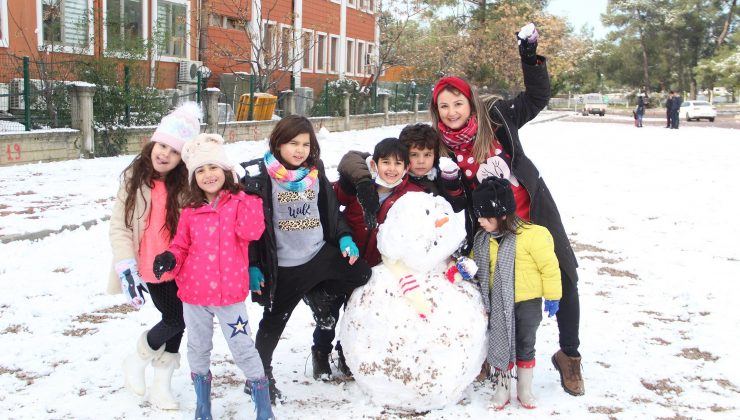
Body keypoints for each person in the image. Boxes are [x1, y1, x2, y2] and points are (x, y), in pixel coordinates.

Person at [338, 22, 585, 396]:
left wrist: (530, 55)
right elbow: (366, 155)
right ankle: (488, 354)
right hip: (486, 229)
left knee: (564, 276)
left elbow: (537, 98)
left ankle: (569, 355)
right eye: (444, 106)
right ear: (436, 111)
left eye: (458, 103)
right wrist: (361, 179)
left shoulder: (497, 118)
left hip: (532, 213)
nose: (452, 112)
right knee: (489, 290)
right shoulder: (438, 144)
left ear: (470, 102)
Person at [240, 115, 372, 403]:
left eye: (305, 144)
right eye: (292, 143)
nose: (299, 150)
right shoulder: (259, 178)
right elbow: (248, 230)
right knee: (273, 322)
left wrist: (345, 238)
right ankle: (259, 377)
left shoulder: (314, 171)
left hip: (318, 254)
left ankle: (317, 293)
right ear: (277, 143)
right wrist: (252, 265)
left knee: (361, 274)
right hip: (285, 267)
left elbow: (330, 208)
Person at [152, 133, 274, 420]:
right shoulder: (190, 211)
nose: (208, 175)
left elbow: (251, 232)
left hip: (229, 295)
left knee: (243, 347)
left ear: (226, 171)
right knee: (198, 347)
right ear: (194, 178)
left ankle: (264, 407)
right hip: (194, 295)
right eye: (201, 170)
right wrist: (170, 256)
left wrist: (251, 199)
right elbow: (181, 245)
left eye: (213, 167)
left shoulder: (239, 203)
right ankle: (202, 405)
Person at [109, 102, 200, 410]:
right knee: (175, 317)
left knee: (179, 321)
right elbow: (119, 227)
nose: (165, 154)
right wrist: (126, 266)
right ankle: (136, 359)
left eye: (174, 151)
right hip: (151, 266)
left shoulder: (186, 184)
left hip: (182, 264)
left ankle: (161, 386)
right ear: (152, 142)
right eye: (162, 145)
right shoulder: (134, 179)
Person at [310, 137, 425, 380]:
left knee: (356, 313)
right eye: (386, 162)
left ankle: (346, 353)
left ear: (406, 167)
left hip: (373, 268)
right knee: (329, 312)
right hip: (342, 261)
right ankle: (320, 352)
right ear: (374, 164)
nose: (391, 169)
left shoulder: (411, 194)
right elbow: (330, 198)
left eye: (398, 163)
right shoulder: (359, 187)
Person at [471, 176, 561, 410]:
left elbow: (549, 268)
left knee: (524, 344)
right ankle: (502, 390)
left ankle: (524, 389)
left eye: (485, 216)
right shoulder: (483, 240)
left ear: (502, 214)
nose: (480, 221)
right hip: (499, 304)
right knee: (500, 344)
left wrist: (553, 295)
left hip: (527, 303)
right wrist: (464, 267)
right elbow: (474, 265)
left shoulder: (534, 236)